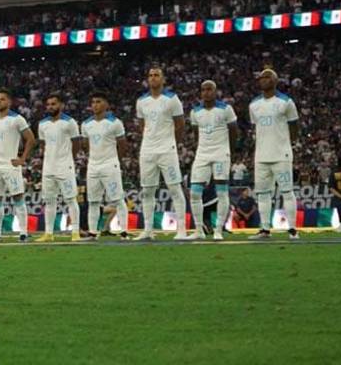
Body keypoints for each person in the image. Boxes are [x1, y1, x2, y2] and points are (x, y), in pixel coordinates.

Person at [134, 66, 193, 241]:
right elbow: (141, 125)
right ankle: (148, 230)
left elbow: (180, 124)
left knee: (175, 188)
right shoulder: (141, 101)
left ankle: (181, 229)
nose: (153, 78)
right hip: (147, 151)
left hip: (167, 150)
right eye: (150, 75)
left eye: (156, 75)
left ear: (163, 79)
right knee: (147, 191)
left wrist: (171, 142)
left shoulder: (172, 99)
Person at [249, 68, 300, 240]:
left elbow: (294, 126)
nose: (263, 79)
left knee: (287, 191)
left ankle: (292, 229)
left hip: (281, 155)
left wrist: (286, 144)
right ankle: (264, 229)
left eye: (267, 77)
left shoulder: (286, 102)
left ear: (275, 80)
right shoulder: (254, 105)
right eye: (261, 77)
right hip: (261, 156)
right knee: (263, 194)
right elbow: (256, 127)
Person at [188, 80, 239, 240]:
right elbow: (196, 133)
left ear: (215, 91)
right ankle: (199, 230)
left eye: (209, 89)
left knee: (222, 192)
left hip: (220, 154)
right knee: (195, 193)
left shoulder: (226, 109)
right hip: (202, 154)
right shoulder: (195, 112)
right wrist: (200, 148)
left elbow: (233, 131)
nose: (206, 92)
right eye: (203, 90)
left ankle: (218, 230)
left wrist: (229, 151)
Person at [0, 88, 35, 242]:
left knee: (18, 197)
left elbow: (31, 139)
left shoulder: (17, 119)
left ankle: (24, 232)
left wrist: (22, 159)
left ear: (9, 101)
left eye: (2, 99)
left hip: (11, 165)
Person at [36, 93, 84, 243]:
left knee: (70, 199)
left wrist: (68, 158)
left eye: (53, 104)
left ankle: (75, 233)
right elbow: (43, 145)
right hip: (48, 168)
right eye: (48, 104)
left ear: (61, 105)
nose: (50, 107)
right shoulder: (42, 124)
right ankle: (48, 233)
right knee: (49, 201)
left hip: (65, 166)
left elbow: (76, 143)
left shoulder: (70, 122)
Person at [81, 90, 129, 240]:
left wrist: (115, 160)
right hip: (93, 166)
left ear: (106, 104)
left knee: (118, 199)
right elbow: (85, 144)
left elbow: (123, 145)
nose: (95, 105)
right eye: (93, 102)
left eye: (99, 102)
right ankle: (93, 232)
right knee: (93, 201)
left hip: (110, 165)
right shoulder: (86, 124)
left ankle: (124, 231)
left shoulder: (115, 122)